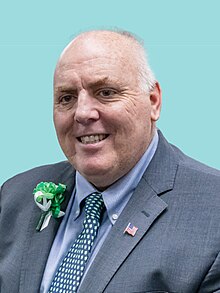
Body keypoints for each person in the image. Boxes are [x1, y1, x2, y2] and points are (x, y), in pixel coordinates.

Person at [0, 29, 220, 293]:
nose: (82, 113)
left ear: (153, 101)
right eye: (66, 98)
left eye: (105, 92)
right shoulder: (15, 197)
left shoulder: (212, 212)